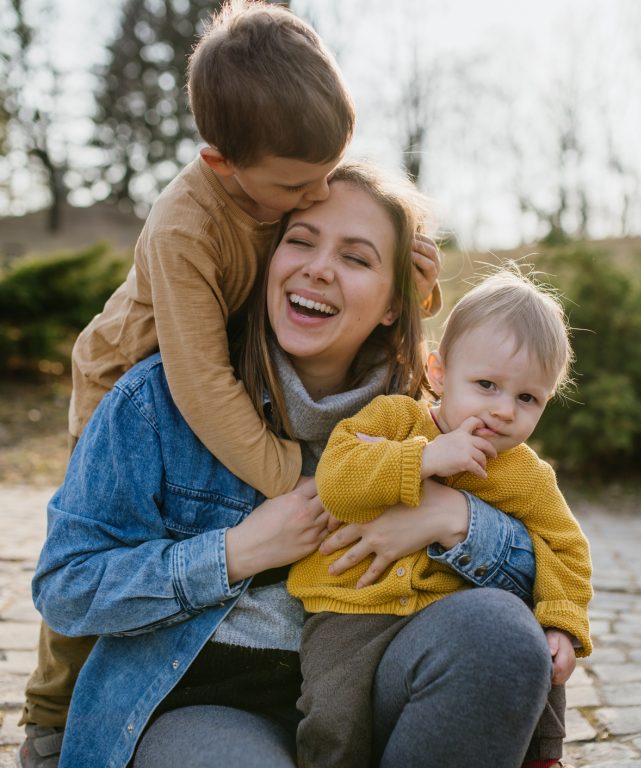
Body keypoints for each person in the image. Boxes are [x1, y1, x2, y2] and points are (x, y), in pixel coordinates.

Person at [17, 3, 441, 765]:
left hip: (220, 370)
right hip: (139, 374)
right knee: (98, 526)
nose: (315, 199)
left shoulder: (279, 180)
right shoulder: (185, 227)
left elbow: (344, 261)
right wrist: (287, 481)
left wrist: (411, 284)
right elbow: (200, 382)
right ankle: (51, 714)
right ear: (224, 165)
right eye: (299, 196)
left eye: (325, 176)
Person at [31, 162, 555, 768]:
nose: (319, 268)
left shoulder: (436, 421)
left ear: (392, 303)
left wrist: (454, 519)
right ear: (268, 264)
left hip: (367, 688)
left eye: (357, 259)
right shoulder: (159, 403)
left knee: (501, 637)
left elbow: (551, 566)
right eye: (300, 241)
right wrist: (236, 551)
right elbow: (66, 587)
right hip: (209, 706)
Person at [288, 269, 593, 768]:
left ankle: (539, 760)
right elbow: (336, 482)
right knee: (334, 720)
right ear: (438, 373)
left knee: (533, 656)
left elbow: (565, 547)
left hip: (447, 621)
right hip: (350, 610)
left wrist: (562, 623)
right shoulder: (395, 419)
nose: (503, 411)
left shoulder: (526, 475)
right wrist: (423, 459)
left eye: (526, 398)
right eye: (487, 385)